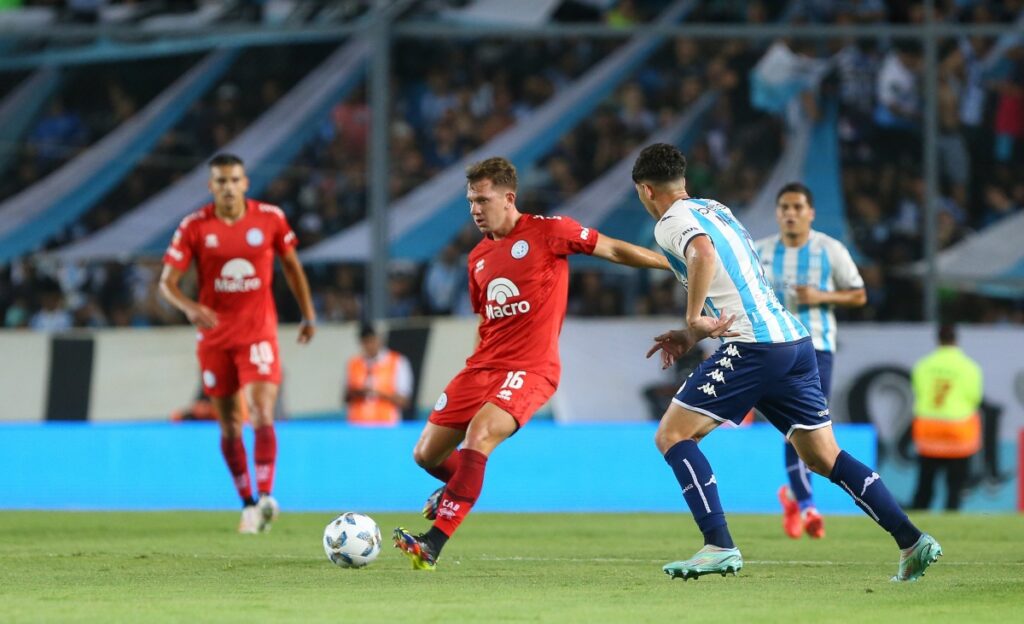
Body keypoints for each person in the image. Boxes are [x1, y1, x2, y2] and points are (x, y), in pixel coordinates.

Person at [633, 143, 939, 582]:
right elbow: (711, 257)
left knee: (673, 435)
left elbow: (701, 253)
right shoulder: (715, 208)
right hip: (793, 342)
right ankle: (912, 540)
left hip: (752, 346)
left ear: (646, 191)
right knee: (823, 456)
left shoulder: (669, 223)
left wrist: (693, 320)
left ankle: (718, 544)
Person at [392, 156, 671, 570]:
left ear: (509, 198)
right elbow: (486, 319)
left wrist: (670, 263)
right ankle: (457, 492)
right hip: (481, 367)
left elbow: (610, 248)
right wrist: (473, 366)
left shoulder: (548, 231)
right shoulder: (477, 259)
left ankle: (432, 544)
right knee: (425, 454)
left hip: (531, 368)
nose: (474, 209)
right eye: (470, 201)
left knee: (480, 434)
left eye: (482, 200)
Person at [159, 153, 316, 534]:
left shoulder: (270, 218)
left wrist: (308, 313)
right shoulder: (194, 226)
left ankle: (265, 496)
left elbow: (292, 266)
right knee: (229, 425)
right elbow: (167, 282)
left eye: (234, 180)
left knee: (262, 411)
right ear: (211, 186)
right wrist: (190, 307)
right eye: (221, 181)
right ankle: (247, 502)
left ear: (245, 183)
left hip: (258, 332)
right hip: (215, 337)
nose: (228, 187)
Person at [754, 182, 867, 540]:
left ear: (811, 213)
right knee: (793, 430)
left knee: (805, 430)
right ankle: (806, 505)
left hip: (817, 348)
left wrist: (820, 295)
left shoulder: (829, 250)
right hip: (772, 348)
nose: (790, 213)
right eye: (784, 207)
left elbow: (860, 294)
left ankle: (796, 498)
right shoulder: (761, 252)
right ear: (777, 213)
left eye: (798, 207)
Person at [910, 323, 983, 511]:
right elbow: (975, 398)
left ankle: (916, 528)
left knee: (925, 484)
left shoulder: (923, 365)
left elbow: (918, 391)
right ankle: (952, 517)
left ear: (938, 340)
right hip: (958, 428)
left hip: (928, 427)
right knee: (955, 485)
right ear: (956, 340)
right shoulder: (970, 367)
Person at [343, 323, 413, 426]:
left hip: (386, 426)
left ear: (379, 340)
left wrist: (378, 393)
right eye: (365, 342)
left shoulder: (397, 362)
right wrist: (358, 392)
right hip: (357, 426)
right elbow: (345, 397)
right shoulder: (354, 364)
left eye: (371, 341)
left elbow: (404, 401)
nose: (369, 346)